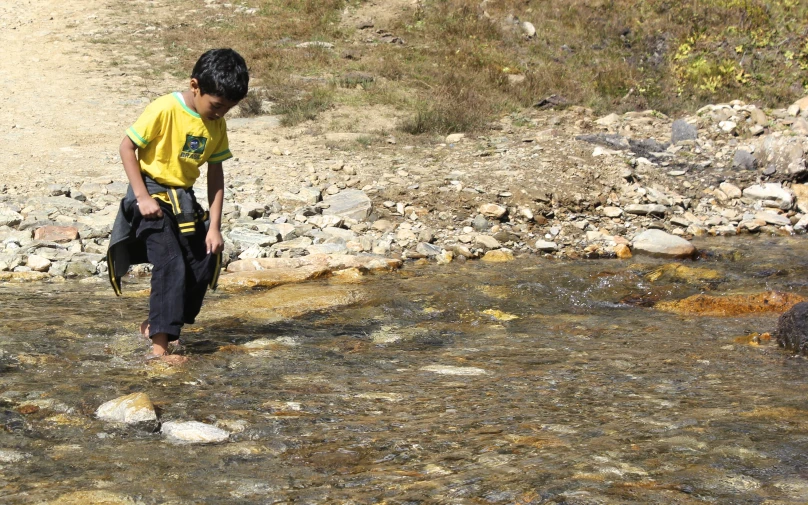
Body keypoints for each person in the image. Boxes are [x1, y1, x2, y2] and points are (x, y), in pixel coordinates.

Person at [107, 48, 249, 358]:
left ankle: (159, 325)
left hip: (183, 200)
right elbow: (127, 147)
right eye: (217, 106)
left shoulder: (216, 123)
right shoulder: (165, 109)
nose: (221, 113)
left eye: (229, 109)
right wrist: (142, 198)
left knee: (203, 259)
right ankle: (160, 351)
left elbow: (215, 173)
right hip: (149, 194)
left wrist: (214, 227)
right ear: (195, 86)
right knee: (170, 263)